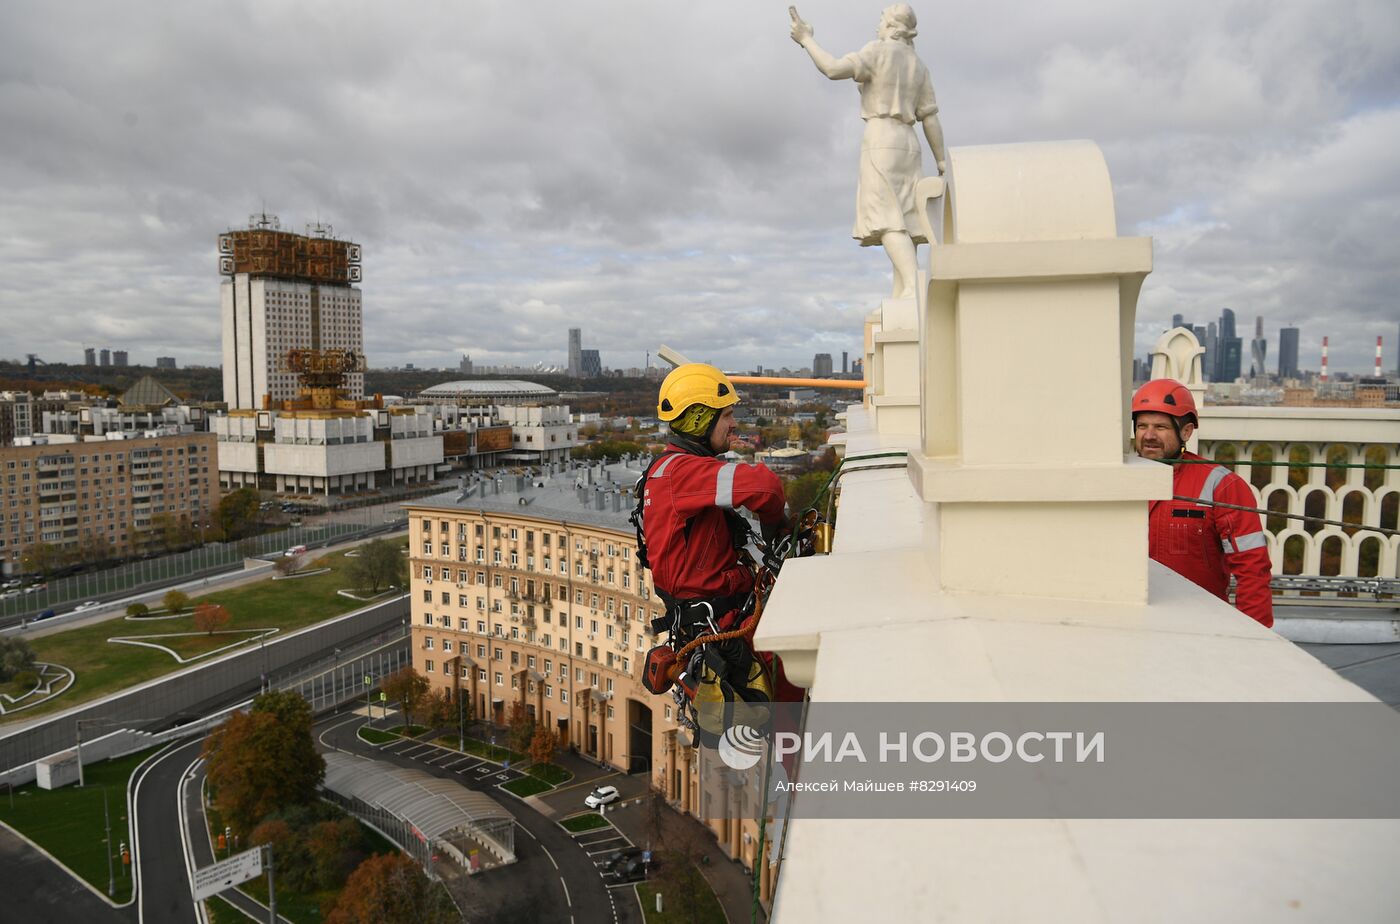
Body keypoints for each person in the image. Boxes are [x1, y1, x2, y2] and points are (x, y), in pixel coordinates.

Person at [634, 363, 790, 745]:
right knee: (788, 701)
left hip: (710, 627)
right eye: (727, 415)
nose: (734, 424)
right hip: (727, 626)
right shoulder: (683, 473)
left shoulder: (664, 470)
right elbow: (766, 488)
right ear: (700, 418)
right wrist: (777, 529)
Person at [790, 4, 947, 300]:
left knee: (888, 219)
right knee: (906, 221)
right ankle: (902, 298)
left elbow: (833, 69)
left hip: (881, 138)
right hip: (909, 143)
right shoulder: (918, 65)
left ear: (890, 25)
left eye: (880, 20)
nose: (877, 25)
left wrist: (806, 39)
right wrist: (940, 158)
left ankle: (913, 288)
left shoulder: (877, 51)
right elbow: (930, 117)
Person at [1132, 379, 1274, 627]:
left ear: (1186, 432)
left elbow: (1252, 570)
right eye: (1142, 425)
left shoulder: (1222, 486)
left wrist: (1254, 637)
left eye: (1161, 426)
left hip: (1202, 625)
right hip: (1135, 623)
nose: (1149, 435)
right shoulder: (1122, 480)